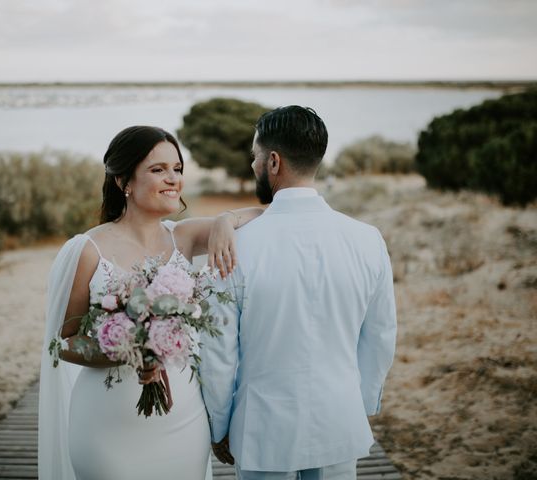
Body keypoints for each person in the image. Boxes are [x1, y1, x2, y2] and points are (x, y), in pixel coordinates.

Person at [38, 125, 263, 480]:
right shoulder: (86, 249)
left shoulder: (184, 238)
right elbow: (63, 341)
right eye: (158, 170)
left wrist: (225, 219)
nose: (173, 179)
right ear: (123, 181)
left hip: (182, 421)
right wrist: (125, 350)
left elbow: (267, 214)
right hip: (106, 426)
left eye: (177, 169)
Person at [200, 106, 397, 480]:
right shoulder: (367, 239)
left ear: (274, 162)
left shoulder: (235, 247)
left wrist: (219, 424)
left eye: (256, 157)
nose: (252, 165)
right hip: (340, 419)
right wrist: (362, 402)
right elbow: (381, 335)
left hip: (262, 430)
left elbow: (219, 352)